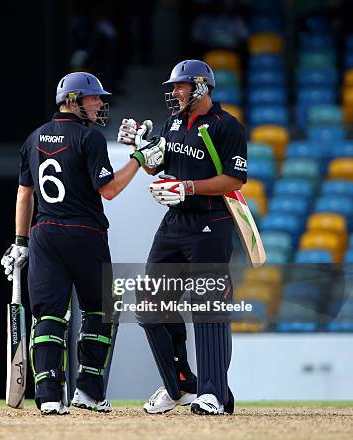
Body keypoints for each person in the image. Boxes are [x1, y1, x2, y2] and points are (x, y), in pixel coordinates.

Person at [0, 71, 160, 415]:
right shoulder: (90, 139)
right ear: (74, 101)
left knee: (49, 315)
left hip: (44, 236)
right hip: (85, 234)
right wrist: (139, 159)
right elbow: (110, 190)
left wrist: (20, 242)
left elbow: (24, 195)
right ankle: (87, 391)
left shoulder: (33, 138)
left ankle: (48, 397)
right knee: (101, 310)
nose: (101, 103)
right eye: (95, 98)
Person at [118, 59, 247, 415]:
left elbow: (235, 181)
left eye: (180, 87)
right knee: (150, 306)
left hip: (210, 222)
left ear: (201, 87)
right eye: (174, 88)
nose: (174, 93)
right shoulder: (174, 122)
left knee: (208, 307)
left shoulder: (226, 126)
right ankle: (181, 386)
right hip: (175, 222)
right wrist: (141, 146)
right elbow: (156, 166)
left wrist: (187, 187)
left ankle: (214, 394)